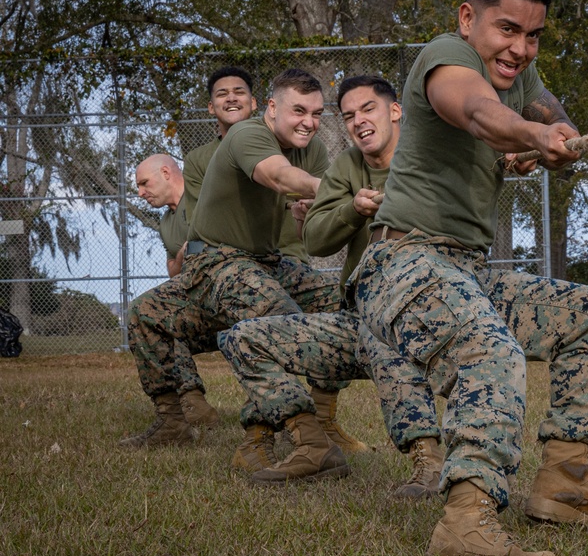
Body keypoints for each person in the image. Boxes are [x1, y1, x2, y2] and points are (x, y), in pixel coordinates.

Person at [350, 0, 588, 556]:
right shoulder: (444, 58)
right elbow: (478, 111)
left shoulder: (519, 77)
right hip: (401, 261)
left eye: (533, 35)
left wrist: (554, 131)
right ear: (468, 19)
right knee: (491, 349)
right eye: (507, 29)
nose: (521, 48)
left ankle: (564, 485)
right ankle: (466, 524)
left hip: (466, 268)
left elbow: (548, 109)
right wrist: (528, 136)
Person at [121, 69, 355, 480]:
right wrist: (343, 190)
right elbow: (277, 176)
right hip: (215, 262)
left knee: (343, 302)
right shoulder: (246, 134)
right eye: (298, 110)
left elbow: (311, 215)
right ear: (271, 108)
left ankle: (307, 419)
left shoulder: (311, 149)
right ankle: (306, 439)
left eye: (317, 113)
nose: (308, 121)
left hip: (267, 262)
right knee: (268, 315)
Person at [218, 75, 444, 493]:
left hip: (419, 314)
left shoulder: (430, 161)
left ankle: (428, 461)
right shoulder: (345, 166)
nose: (358, 122)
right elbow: (318, 242)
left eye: (368, 109)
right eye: (348, 116)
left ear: (395, 111)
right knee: (242, 338)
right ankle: (313, 440)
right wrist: (351, 209)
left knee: (382, 332)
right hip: (358, 316)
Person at [183, 66, 311, 264]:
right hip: (229, 261)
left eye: (239, 92)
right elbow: (202, 223)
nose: (231, 98)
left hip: (288, 259)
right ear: (210, 106)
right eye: (222, 94)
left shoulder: (298, 143)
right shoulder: (197, 159)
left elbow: (306, 199)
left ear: (253, 103)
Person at [132, 153, 220, 428]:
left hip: (227, 294)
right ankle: (192, 403)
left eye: (144, 183)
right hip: (198, 305)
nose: (140, 192)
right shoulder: (166, 223)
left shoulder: (201, 196)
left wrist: (190, 251)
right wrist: (184, 255)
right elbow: (174, 269)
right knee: (160, 322)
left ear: (167, 173)